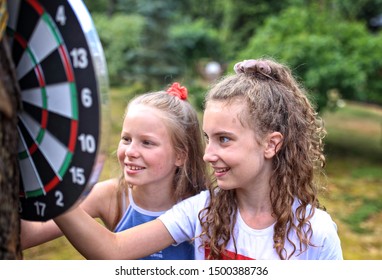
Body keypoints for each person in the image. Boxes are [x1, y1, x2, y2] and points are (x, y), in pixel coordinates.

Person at [54, 58, 343, 260]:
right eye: (207, 138)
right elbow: (112, 250)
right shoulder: (202, 211)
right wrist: (49, 182)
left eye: (224, 139)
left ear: (271, 144)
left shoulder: (315, 232)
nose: (207, 154)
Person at [21, 82, 208, 260]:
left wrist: (51, 184)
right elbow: (26, 236)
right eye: (126, 139)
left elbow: (112, 251)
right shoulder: (111, 196)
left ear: (180, 156)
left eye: (147, 143)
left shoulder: (202, 206)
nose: (131, 151)